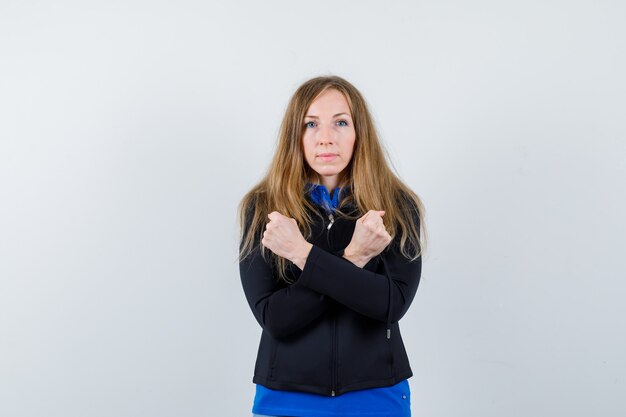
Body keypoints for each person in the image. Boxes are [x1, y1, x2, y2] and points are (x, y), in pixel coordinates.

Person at [238, 75, 427, 417]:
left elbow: (390, 304)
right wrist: (354, 258)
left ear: (359, 133)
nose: (326, 138)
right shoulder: (264, 208)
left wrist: (301, 254)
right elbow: (275, 318)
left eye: (340, 122)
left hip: (376, 395)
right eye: (311, 124)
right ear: (295, 135)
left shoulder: (397, 205)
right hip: (286, 397)